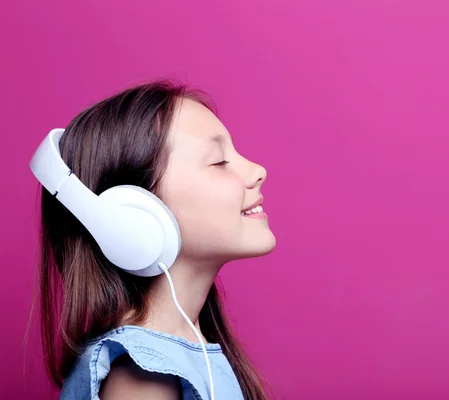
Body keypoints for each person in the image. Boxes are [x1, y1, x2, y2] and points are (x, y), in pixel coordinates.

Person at [33, 80, 276, 399]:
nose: (257, 170)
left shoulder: (185, 352)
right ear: (134, 216)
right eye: (218, 161)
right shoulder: (142, 377)